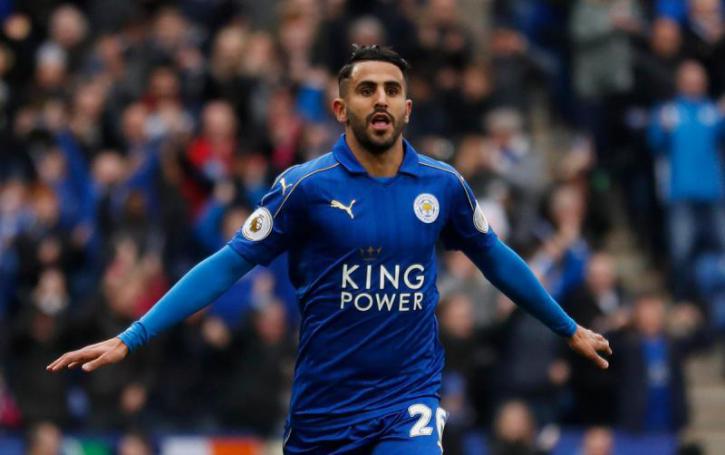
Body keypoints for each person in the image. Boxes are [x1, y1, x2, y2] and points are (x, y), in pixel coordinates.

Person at [48, 45, 612, 454]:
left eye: (392, 90)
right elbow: (228, 263)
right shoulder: (306, 188)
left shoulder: (442, 186)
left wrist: (567, 328)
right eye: (366, 90)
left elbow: (494, 257)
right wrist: (132, 336)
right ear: (341, 110)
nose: (381, 99)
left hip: (408, 399)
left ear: (408, 109)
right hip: (324, 409)